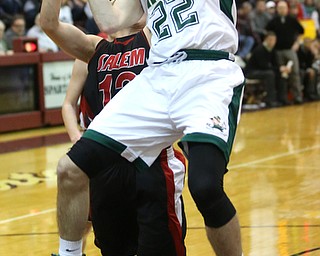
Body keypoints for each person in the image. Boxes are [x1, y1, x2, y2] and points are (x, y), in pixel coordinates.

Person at [43, 0, 245, 255]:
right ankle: (69, 253)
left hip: (208, 69)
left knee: (205, 186)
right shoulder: (104, 42)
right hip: (159, 75)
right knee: (70, 169)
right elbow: (110, 22)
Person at [40, 0, 186, 255]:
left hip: (150, 161)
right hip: (105, 165)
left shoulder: (156, 39)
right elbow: (49, 24)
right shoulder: (94, 47)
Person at [266, 0, 305, 104]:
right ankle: (282, 98)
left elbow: (302, 32)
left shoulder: (292, 20)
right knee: (282, 74)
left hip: (290, 50)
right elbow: (266, 33)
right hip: (278, 52)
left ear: (287, 9)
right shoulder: (273, 21)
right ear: (277, 9)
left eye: (283, 7)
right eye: (280, 8)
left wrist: (297, 43)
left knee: (295, 73)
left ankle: (297, 96)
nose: (282, 10)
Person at [244, 31, 289, 107]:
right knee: (270, 74)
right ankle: (270, 100)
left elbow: (275, 64)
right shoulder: (260, 49)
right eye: (271, 40)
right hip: (251, 72)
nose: (273, 42)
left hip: (262, 71)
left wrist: (282, 69)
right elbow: (263, 66)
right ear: (266, 40)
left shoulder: (272, 50)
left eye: (274, 40)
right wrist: (278, 69)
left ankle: (282, 99)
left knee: (281, 74)